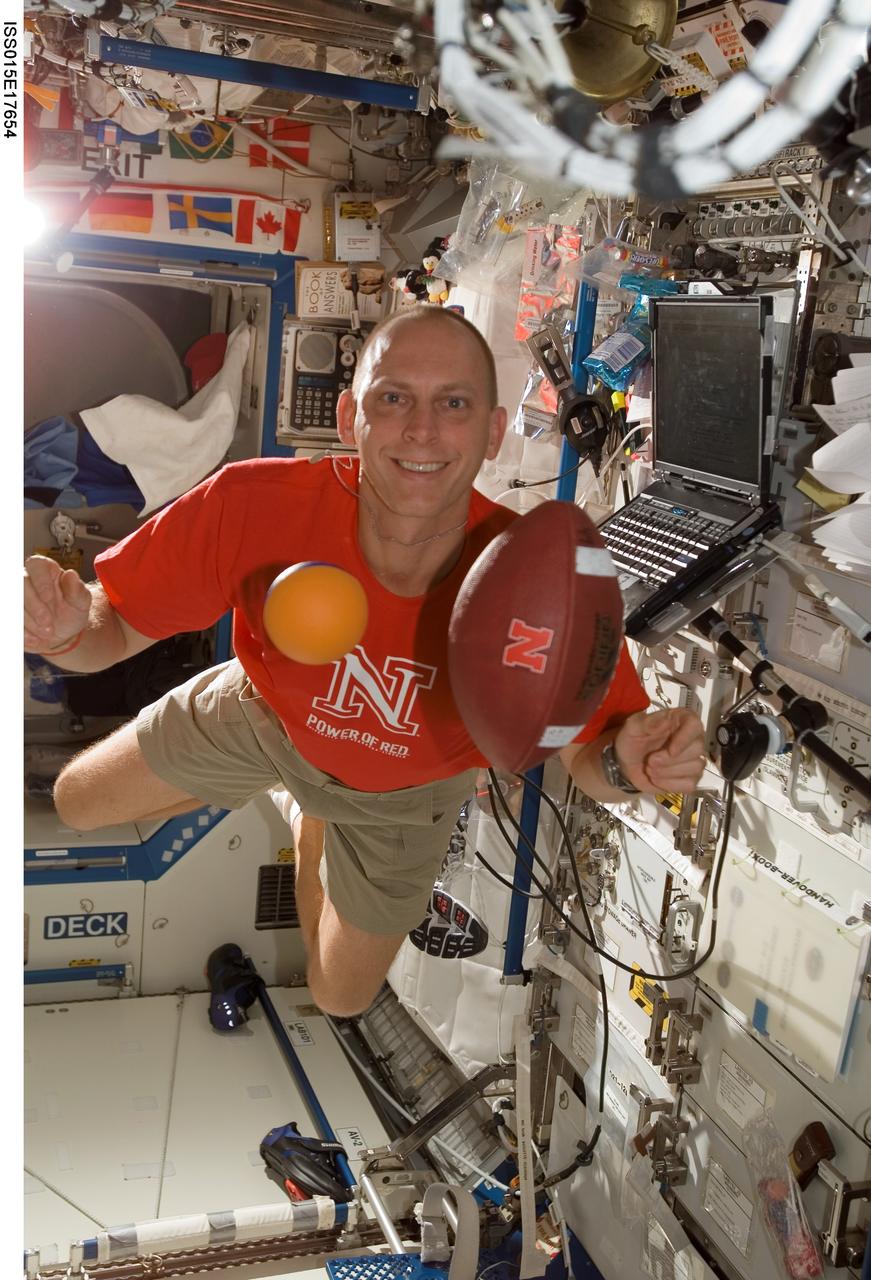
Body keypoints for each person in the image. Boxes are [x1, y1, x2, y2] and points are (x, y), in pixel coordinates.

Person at [23, 307, 707, 1016]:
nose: (421, 429)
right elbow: (111, 630)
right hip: (267, 718)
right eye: (392, 398)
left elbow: (593, 763)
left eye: (453, 403)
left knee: (340, 997)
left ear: (494, 431)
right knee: (75, 804)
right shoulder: (250, 506)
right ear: (351, 416)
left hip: (405, 798)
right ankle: (286, 784)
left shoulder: (541, 580)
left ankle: (308, 817)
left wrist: (633, 764)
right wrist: (66, 629)